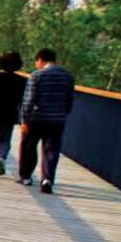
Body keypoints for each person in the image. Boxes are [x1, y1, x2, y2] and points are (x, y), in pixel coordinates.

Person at [17, 47, 75, 193]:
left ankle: (26, 176)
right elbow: (69, 99)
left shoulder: (37, 75)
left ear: (40, 60)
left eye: (36, 62)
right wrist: (64, 112)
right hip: (57, 119)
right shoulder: (68, 76)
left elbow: (29, 100)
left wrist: (24, 120)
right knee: (51, 150)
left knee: (29, 146)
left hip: (37, 118)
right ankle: (47, 179)